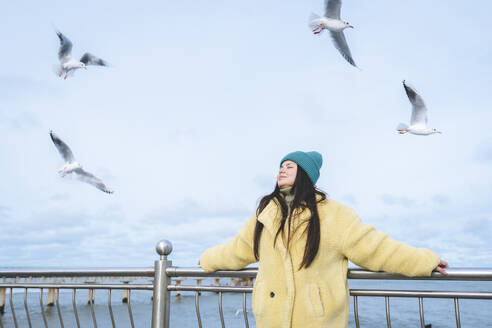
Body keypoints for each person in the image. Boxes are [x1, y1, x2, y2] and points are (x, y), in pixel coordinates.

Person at [200, 151, 448, 328]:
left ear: (305, 174)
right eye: (280, 166)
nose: (281, 170)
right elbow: (238, 249)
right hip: (270, 319)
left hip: (317, 320)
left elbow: (376, 248)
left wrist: (423, 261)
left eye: (289, 166)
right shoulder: (265, 214)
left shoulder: (333, 214)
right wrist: (206, 260)